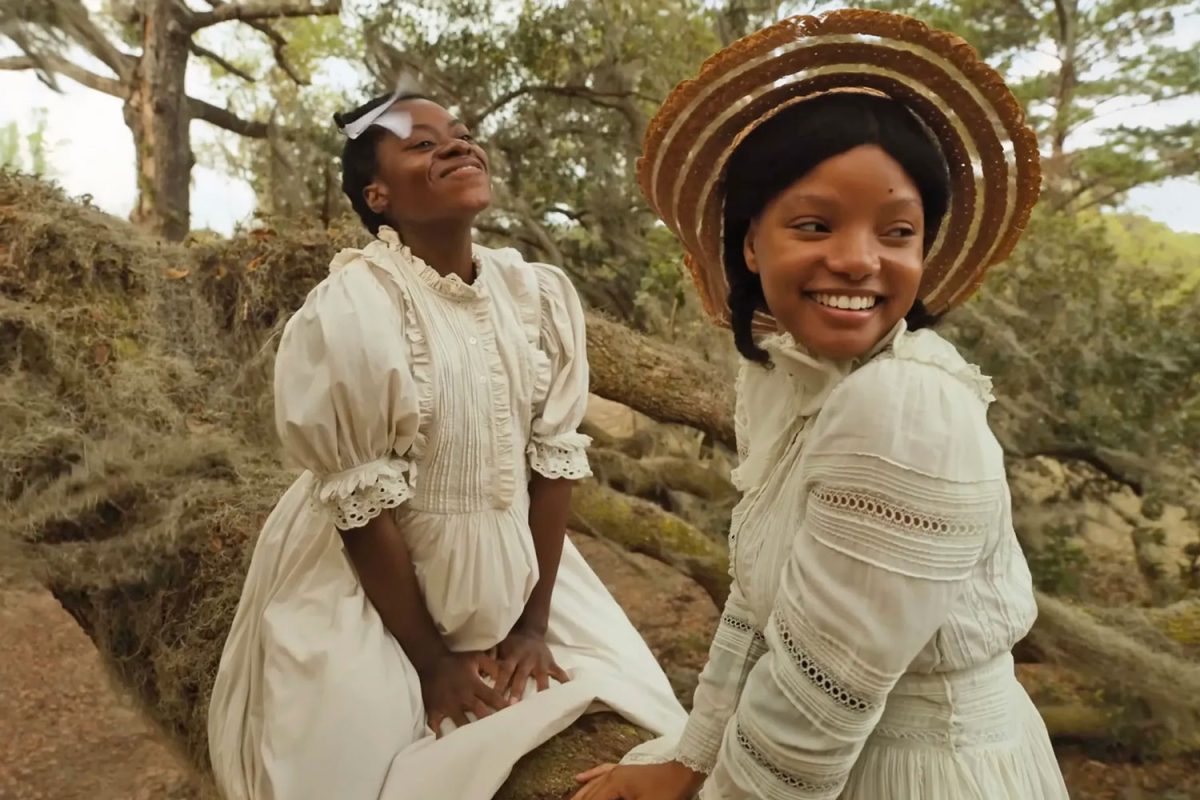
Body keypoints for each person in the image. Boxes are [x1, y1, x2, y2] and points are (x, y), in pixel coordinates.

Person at [573, 9, 1069, 800]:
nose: (857, 259)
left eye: (897, 231)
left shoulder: (906, 406)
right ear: (749, 241)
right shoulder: (786, 380)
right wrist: (691, 756)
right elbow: (762, 602)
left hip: (915, 774)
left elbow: (820, 708)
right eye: (814, 223)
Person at [206, 88, 686, 800]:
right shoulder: (356, 308)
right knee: (338, 770)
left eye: (460, 135)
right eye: (423, 144)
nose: (458, 146)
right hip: (375, 587)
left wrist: (529, 623)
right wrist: (432, 663)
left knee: (652, 719)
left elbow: (551, 464)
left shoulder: (534, 295)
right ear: (378, 194)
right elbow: (362, 511)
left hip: (518, 567)